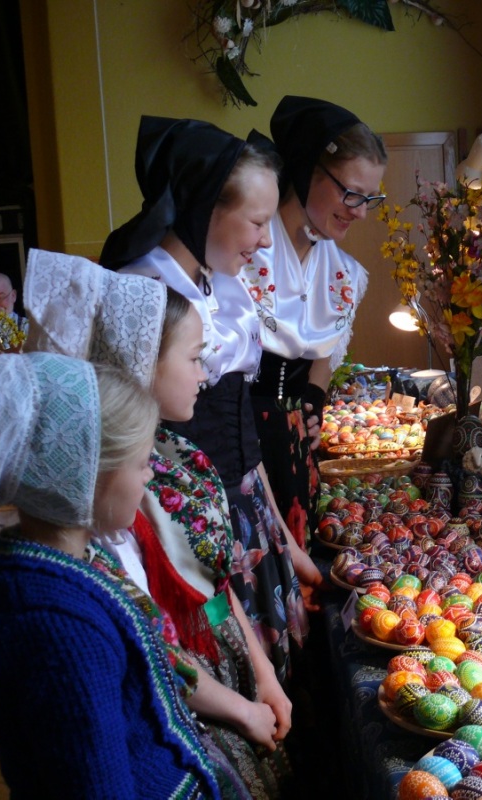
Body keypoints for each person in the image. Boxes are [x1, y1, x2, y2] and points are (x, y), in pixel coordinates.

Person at [24, 248, 293, 797]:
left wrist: (261, 673)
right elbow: (152, 644)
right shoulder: (109, 497)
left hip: (227, 664)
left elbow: (215, 580)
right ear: (142, 363)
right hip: (192, 695)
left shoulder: (178, 455)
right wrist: (241, 710)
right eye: (194, 358)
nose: (205, 372)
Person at [100, 115, 319, 684]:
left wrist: (277, 528)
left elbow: (242, 435)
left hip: (242, 507)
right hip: (188, 522)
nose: (267, 240)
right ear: (205, 209)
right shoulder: (148, 296)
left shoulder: (217, 285)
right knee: (234, 670)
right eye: (257, 222)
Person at [0, 353, 220, 797]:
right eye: (140, 462)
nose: (151, 472)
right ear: (85, 475)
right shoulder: (55, 627)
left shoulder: (60, 568)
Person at [241, 96, 386, 547]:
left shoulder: (342, 272)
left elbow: (323, 353)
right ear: (308, 169)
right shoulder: (244, 254)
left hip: (295, 447)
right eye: (352, 193)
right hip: (242, 444)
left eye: (370, 198)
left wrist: (312, 405)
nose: (361, 211)